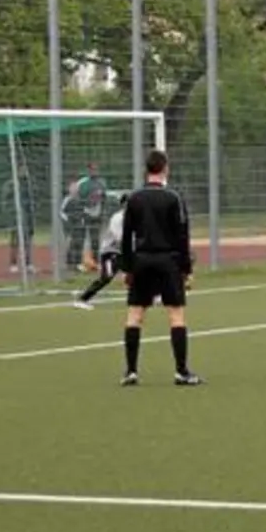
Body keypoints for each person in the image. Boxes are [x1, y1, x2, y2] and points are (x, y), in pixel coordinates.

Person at [119, 150, 203, 387]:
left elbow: (126, 238)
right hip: (168, 261)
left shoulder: (134, 198)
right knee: (175, 314)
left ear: (147, 170)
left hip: (142, 260)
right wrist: (187, 269)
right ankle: (181, 371)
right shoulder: (173, 198)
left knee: (135, 314)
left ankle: (131, 371)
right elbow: (182, 237)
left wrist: (127, 268)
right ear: (165, 168)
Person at [73, 191, 128, 310]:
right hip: (110, 252)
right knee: (106, 277)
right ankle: (82, 299)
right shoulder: (117, 218)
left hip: (124, 251)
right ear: (124, 205)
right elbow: (121, 238)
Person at [63, 162, 107, 272]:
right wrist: (80, 213)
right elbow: (76, 197)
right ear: (88, 171)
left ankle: (96, 262)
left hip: (96, 214)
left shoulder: (102, 183)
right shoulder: (83, 183)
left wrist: (102, 212)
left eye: (96, 169)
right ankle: (74, 262)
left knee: (95, 239)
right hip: (84, 213)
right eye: (92, 169)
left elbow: (103, 199)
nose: (94, 171)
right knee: (78, 238)